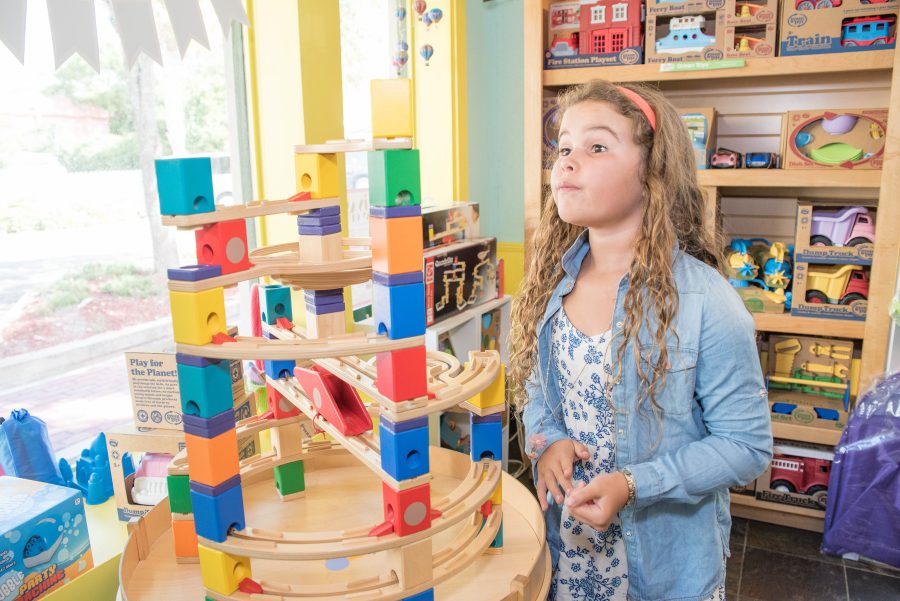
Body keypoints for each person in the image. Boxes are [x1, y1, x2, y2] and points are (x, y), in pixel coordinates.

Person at [508, 80, 773, 601]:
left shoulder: (705, 302)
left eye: (597, 146)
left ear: (653, 173)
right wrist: (547, 441)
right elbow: (536, 388)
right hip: (571, 555)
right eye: (563, 147)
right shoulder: (549, 285)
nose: (567, 161)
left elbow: (746, 446)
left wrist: (633, 483)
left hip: (666, 569)